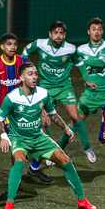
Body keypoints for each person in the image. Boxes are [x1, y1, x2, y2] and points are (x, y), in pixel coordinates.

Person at [0, 62, 97, 209]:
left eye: (36, 73)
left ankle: (82, 200)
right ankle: (10, 202)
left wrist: (66, 128)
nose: (34, 76)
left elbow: (52, 114)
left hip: (39, 137)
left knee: (66, 162)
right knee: (18, 161)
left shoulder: (43, 93)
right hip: (19, 138)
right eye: (30, 74)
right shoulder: (12, 97)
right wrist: (3, 136)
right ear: (21, 77)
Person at [0, 32, 52, 184]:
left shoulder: (23, 62)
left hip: (26, 107)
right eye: (9, 44)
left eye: (15, 44)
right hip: (6, 111)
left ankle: (34, 168)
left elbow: (34, 83)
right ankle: (17, 178)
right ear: (2, 46)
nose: (13, 47)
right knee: (17, 142)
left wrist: (42, 109)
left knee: (40, 134)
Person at [22, 21, 79, 170]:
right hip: (45, 87)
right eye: (56, 32)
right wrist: (28, 67)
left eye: (61, 33)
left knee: (75, 118)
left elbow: (79, 62)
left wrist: (87, 78)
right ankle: (41, 157)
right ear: (50, 34)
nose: (58, 35)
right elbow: (25, 51)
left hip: (63, 87)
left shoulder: (71, 49)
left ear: (64, 35)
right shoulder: (40, 44)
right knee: (45, 122)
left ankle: (59, 146)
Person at [58, 17, 105, 163]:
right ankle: (58, 152)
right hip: (89, 95)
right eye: (94, 29)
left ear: (103, 31)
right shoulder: (81, 49)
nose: (97, 32)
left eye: (99, 29)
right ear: (88, 32)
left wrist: (80, 60)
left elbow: (101, 62)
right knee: (74, 122)